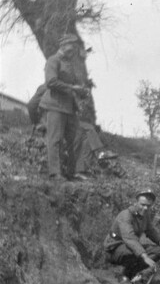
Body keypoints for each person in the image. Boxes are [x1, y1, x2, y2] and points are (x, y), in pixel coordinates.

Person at [28, 83, 118, 176]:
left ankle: (84, 167)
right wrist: (37, 123)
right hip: (51, 120)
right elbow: (31, 105)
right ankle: (80, 167)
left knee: (87, 130)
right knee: (81, 131)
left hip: (65, 121)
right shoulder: (46, 87)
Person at [39, 34, 88, 181]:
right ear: (63, 45)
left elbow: (74, 85)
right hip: (54, 105)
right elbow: (51, 82)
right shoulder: (53, 61)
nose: (74, 49)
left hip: (69, 108)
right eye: (71, 46)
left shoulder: (70, 64)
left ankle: (72, 172)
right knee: (55, 140)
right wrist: (73, 88)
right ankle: (55, 173)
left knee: (77, 138)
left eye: (75, 47)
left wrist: (81, 91)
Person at [104, 189, 160, 280]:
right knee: (134, 252)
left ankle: (132, 272)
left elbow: (150, 230)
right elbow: (129, 239)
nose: (145, 208)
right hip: (114, 249)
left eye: (148, 206)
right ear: (136, 202)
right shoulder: (126, 215)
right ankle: (124, 275)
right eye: (143, 205)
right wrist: (144, 256)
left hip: (129, 246)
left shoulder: (145, 215)